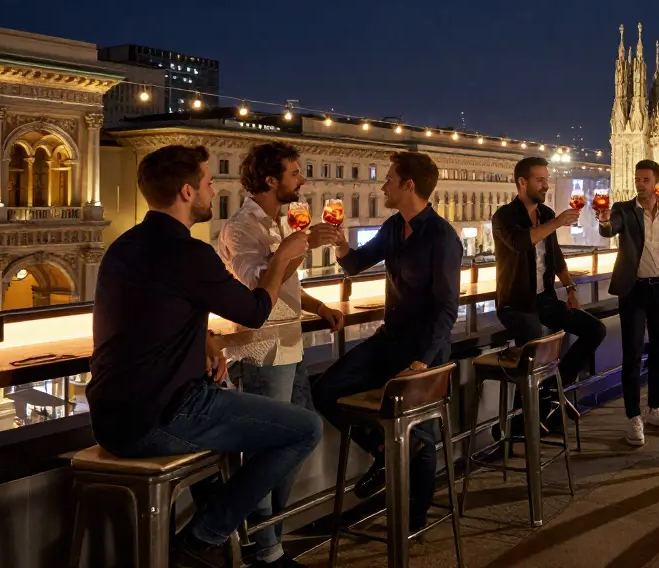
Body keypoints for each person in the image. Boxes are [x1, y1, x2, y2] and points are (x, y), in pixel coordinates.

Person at [87, 145, 323, 568]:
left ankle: (231, 541)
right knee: (304, 428)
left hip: (109, 419)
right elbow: (253, 310)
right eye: (209, 183)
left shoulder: (123, 246)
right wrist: (284, 256)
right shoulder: (190, 252)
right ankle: (203, 541)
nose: (214, 192)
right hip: (164, 415)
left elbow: (154, 313)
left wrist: (205, 337)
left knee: (238, 438)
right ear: (185, 192)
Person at [308, 151, 461, 535]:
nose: (383, 185)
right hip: (388, 340)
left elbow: (446, 309)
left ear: (409, 185)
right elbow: (355, 264)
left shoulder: (442, 237)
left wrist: (422, 362)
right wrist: (341, 244)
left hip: (423, 352)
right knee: (326, 390)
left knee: (420, 434)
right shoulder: (395, 226)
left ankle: (414, 523)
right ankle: (381, 450)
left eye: (389, 179)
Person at [215, 141, 343, 566]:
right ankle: (264, 548)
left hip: (291, 346)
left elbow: (282, 285)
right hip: (261, 351)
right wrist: (297, 247)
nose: (302, 179)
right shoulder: (240, 228)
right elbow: (257, 286)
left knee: (298, 441)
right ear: (271, 180)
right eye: (295, 172)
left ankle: (269, 537)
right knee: (268, 450)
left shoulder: (279, 224)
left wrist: (318, 305)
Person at [491, 156, 607, 433]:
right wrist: (556, 223)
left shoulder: (544, 214)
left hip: (545, 300)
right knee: (535, 340)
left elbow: (554, 257)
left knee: (595, 329)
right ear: (522, 182)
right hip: (516, 303)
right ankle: (523, 418)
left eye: (547, 179)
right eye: (540, 180)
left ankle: (553, 391)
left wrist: (569, 287)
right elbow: (520, 242)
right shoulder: (505, 216)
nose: (546, 185)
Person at [597, 159, 659, 446]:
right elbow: (610, 229)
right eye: (637, 179)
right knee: (632, 355)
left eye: (646, 179)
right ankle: (633, 417)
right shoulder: (624, 209)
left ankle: (655, 409)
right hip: (634, 290)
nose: (640, 184)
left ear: (657, 181)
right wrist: (603, 219)